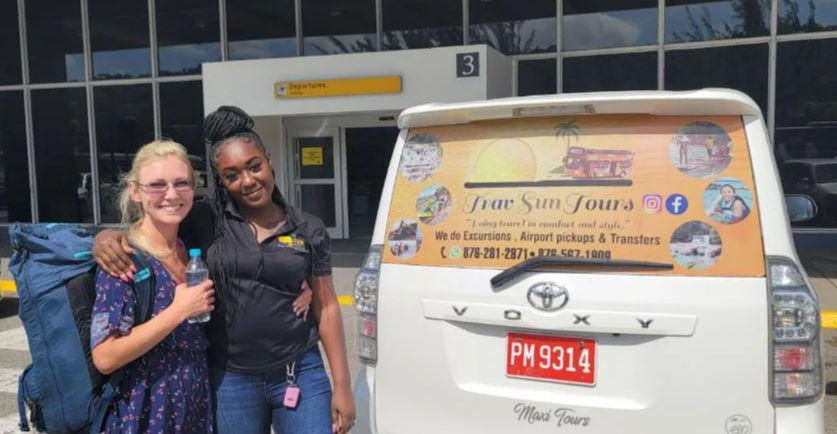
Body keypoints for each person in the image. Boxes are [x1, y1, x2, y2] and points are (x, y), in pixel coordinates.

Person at [93, 106, 355, 434]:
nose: (247, 181)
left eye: (254, 166)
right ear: (221, 180)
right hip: (231, 379)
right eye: (231, 175)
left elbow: (327, 305)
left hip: (299, 370)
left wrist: (342, 384)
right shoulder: (204, 220)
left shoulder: (308, 227)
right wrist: (105, 236)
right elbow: (155, 221)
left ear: (269, 160)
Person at [90, 140, 216, 433]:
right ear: (136, 191)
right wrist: (178, 311)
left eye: (181, 183)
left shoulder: (191, 247)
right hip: (144, 412)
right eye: (157, 185)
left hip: (193, 406)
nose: (171, 195)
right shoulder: (124, 259)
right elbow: (105, 357)